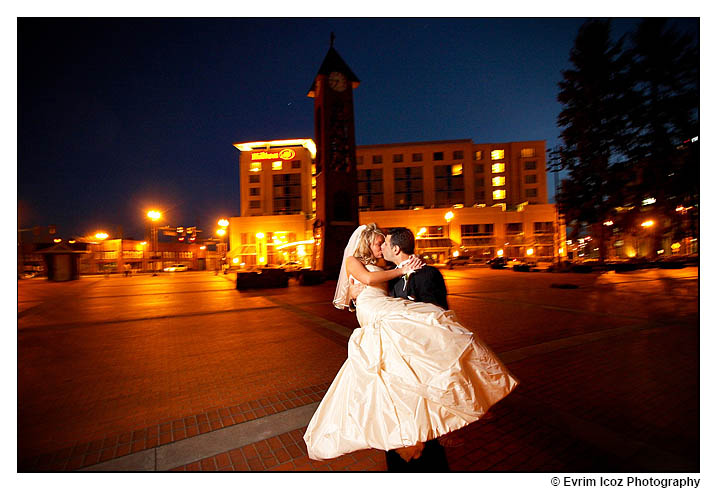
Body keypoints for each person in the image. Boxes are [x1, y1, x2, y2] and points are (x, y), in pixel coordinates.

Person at [303, 224, 519, 471]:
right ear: (366, 242)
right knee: (384, 376)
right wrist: (360, 290)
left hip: (393, 322)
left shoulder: (406, 270)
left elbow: (410, 298)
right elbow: (368, 282)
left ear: (395, 248)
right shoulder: (358, 262)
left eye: (384, 244)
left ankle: (452, 403)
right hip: (378, 318)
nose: (381, 247)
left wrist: (403, 268)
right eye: (377, 243)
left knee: (430, 333)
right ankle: (401, 441)